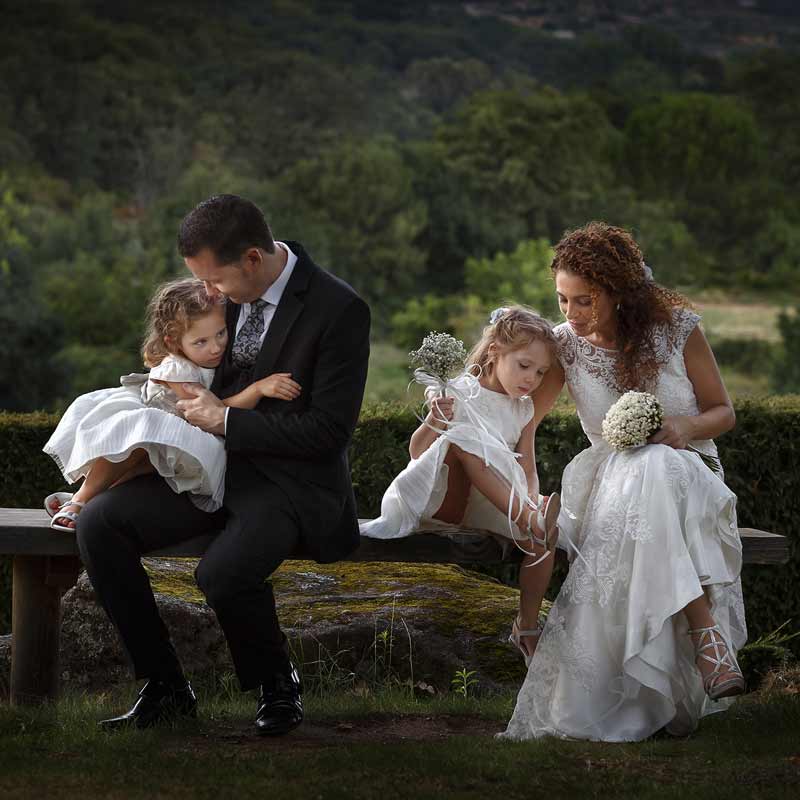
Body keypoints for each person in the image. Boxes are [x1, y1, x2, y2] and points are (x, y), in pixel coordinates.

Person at [72, 194, 370, 735]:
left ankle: (278, 685)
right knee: (100, 523)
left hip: (285, 481)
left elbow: (329, 433)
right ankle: (164, 687)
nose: (208, 293)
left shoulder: (339, 309)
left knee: (222, 573)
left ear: (253, 259)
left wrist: (227, 422)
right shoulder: (220, 293)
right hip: (208, 471)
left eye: (216, 281)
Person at [500, 222, 746, 743]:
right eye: (562, 300)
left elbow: (723, 411)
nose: (569, 314)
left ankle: (683, 655)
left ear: (619, 291)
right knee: (641, 465)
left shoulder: (677, 329)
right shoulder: (565, 347)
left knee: (656, 461)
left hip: (692, 473)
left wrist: (682, 428)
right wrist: (523, 495)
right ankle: (707, 639)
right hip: (612, 485)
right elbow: (524, 429)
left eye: (583, 301)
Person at [361, 306, 561, 664]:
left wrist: (531, 496)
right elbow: (418, 452)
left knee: (546, 535)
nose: (531, 378)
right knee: (465, 437)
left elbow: (526, 463)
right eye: (524, 365)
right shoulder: (459, 392)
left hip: (490, 500)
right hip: (439, 496)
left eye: (541, 372)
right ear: (496, 351)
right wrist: (435, 420)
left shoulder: (523, 408)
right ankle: (529, 516)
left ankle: (527, 627)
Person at [43, 278, 301, 528]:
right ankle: (80, 498)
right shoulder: (178, 370)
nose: (215, 347)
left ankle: (88, 500)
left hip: (171, 436)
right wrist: (258, 389)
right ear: (173, 342)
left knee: (141, 468)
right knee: (125, 450)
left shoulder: (212, 356)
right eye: (201, 341)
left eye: (221, 333)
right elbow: (213, 411)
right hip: (156, 423)